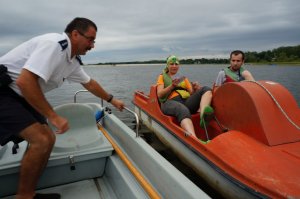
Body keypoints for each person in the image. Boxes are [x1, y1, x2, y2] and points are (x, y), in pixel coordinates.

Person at [0, 17, 125, 199]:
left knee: (49, 138)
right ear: (75, 34)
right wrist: (54, 116)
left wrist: (112, 100)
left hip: (19, 95)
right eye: (90, 39)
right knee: (41, 140)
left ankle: (28, 193)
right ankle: (24, 196)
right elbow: (25, 80)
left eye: (94, 41)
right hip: (4, 91)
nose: (92, 45)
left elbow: (89, 84)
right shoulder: (54, 45)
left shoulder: (71, 61)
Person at [156, 55, 214, 138]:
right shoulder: (162, 77)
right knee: (183, 110)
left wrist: (195, 88)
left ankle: (203, 116)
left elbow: (191, 93)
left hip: (185, 101)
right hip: (169, 102)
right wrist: (172, 86)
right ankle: (193, 138)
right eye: (171, 64)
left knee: (206, 89)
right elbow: (160, 94)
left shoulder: (183, 78)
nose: (174, 66)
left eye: (176, 64)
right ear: (167, 65)